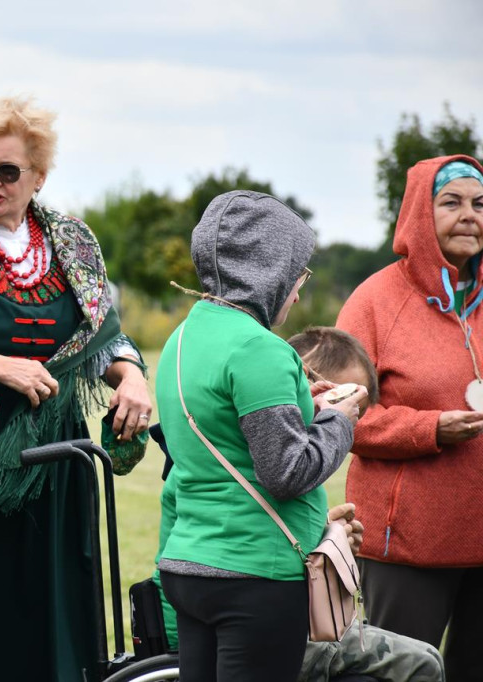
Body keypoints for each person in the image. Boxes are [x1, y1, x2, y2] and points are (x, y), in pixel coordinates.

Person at [0, 96, 153, 682]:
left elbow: (101, 338)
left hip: (59, 459)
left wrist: (133, 376)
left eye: (8, 170)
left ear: (39, 176)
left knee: (55, 609)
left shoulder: (72, 240)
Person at [152, 325, 445, 682]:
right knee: (422, 663)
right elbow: (254, 552)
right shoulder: (265, 464)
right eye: (341, 400)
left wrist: (328, 539)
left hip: (257, 614)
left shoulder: (244, 455)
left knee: (424, 656)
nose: (343, 420)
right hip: (260, 624)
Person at [154, 190, 366, 681]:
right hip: (254, 573)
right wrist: (340, 420)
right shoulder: (259, 348)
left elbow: (226, 426)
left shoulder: (182, 337)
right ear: (268, 269)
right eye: (297, 274)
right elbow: (287, 471)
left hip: (189, 564)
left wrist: (306, 407)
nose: (297, 293)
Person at [336, 155, 483, 680]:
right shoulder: (374, 301)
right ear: (420, 211)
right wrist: (429, 429)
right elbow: (339, 414)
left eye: (480, 204)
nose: (470, 215)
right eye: (451, 202)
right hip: (406, 547)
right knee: (401, 674)